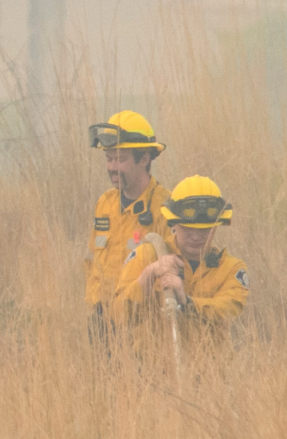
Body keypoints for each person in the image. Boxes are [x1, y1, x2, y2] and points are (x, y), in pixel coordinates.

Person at [113, 176, 249, 330]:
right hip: (154, 354)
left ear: (217, 226)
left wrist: (187, 303)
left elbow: (230, 309)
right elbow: (118, 315)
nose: (196, 236)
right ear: (173, 223)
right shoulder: (148, 255)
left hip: (212, 355)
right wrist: (148, 275)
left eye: (205, 229)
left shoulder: (231, 268)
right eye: (187, 228)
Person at [85, 111, 167, 334]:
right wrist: (96, 311)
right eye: (109, 159)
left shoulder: (164, 207)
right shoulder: (104, 204)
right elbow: (92, 264)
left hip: (142, 333)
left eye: (121, 159)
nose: (112, 167)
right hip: (101, 327)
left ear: (145, 158)